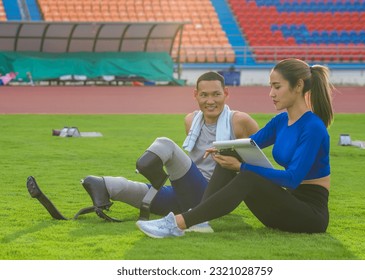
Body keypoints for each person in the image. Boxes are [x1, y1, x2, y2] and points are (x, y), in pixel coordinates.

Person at [27, 71, 259, 230]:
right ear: (195, 95)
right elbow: (191, 165)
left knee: (165, 144)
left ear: (226, 94)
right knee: (124, 189)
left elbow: (256, 163)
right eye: (204, 94)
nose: (210, 100)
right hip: (186, 193)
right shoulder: (191, 120)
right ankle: (101, 185)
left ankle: (149, 170)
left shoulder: (240, 121)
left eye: (216, 94)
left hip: (211, 196)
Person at [136, 58, 334, 238]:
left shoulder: (313, 127)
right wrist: (223, 149)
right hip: (284, 208)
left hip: (309, 216)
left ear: (298, 86)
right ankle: (200, 220)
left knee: (246, 174)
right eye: (270, 86)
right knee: (229, 161)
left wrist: (241, 167)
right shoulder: (281, 121)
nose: (271, 93)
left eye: (277, 87)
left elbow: (292, 180)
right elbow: (248, 145)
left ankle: (177, 223)